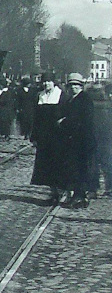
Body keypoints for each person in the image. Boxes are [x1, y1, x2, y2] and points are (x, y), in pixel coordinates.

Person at [30, 74, 67, 205]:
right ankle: (53, 193)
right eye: (45, 82)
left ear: (54, 82)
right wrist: (33, 136)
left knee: (58, 163)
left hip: (58, 136)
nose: (46, 84)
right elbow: (36, 118)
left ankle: (61, 191)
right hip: (44, 136)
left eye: (49, 82)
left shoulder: (61, 95)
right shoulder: (40, 96)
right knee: (46, 166)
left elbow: (66, 114)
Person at [59, 73, 94, 208]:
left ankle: (80, 197)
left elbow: (82, 119)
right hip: (74, 140)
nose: (74, 87)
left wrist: (64, 121)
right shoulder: (71, 99)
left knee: (80, 168)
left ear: (81, 86)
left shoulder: (84, 99)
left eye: (77, 85)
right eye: (72, 85)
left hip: (82, 140)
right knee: (74, 168)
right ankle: (77, 196)